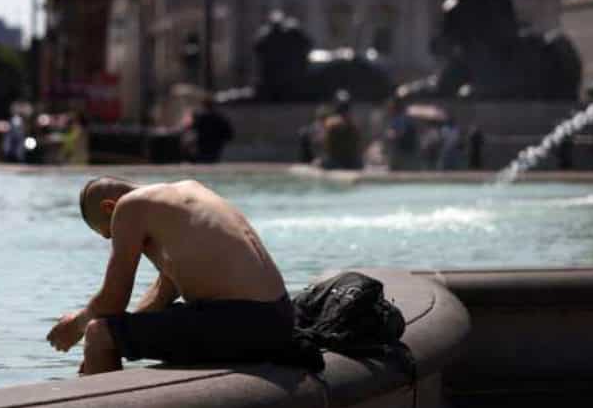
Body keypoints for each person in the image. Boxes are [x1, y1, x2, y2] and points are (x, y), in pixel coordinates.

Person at [46, 176, 293, 375]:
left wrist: (78, 325)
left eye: (109, 234)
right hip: (278, 318)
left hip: (242, 322)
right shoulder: (188, 191)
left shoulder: (129, 207)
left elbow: (113, 301)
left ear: (110, 207)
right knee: (108, 336)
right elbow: (163, 292)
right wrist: (120, 342)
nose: (114, 239)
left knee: (97, 334)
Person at [321, 96, 363, 170]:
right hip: (336, 160)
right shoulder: (332, 122)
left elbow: (357, 142)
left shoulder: (352, 123)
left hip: (349, 161)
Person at [188, 98, 235, 163]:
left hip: (204, 146)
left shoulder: (201, 118)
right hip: (216, 146)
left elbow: (192, 129)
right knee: (212, 161)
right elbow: (228, 133)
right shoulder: (220, 118)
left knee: (203, 162)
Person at [384, 98, 419, 171]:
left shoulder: (401, 119)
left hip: (402, 153)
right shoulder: (403, 118)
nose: (388, 109)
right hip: (407, 152)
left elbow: (400, 132)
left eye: (390, 107)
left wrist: (391, 134)